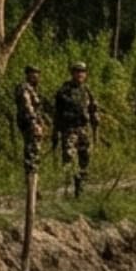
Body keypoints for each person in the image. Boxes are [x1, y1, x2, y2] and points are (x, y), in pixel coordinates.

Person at [52, 62, 101, 197]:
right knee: (69, 159)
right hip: (69, 129)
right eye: (77, 71)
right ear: (72, 73)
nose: (80, 74)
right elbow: (57, 113)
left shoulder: (87, 91)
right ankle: (65, 190)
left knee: (85, 158)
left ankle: (80, 190)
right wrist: (55, 132)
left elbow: (94, 110)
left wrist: (95, 125)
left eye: (82, 72)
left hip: (83, 129)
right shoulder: (64, 91)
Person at [14, 66, 48, 178]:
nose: (36, 76)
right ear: (27, 75)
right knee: (32, 155)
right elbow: (27, 107)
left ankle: (33, 185)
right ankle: (31, 188)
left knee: (35, 154)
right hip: (29, 126)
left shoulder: (33, 89)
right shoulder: (24, 89)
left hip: (33, 125)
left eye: (37, 74)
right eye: (33, 74)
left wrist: (42, 122)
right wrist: (34, 123)